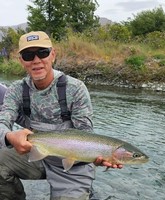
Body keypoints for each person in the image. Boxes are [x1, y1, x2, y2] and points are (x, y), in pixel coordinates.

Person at [0, 31, 122, 200]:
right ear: (21, 61)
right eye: (28, 55)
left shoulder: (75, 88)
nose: (36, 60)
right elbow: (3, 121)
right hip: (38, 155)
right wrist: (9, 136)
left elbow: (86, 135)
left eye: (42, 53)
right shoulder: (16, 89)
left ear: (53, 55)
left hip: (73, 168)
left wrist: (96, 157)